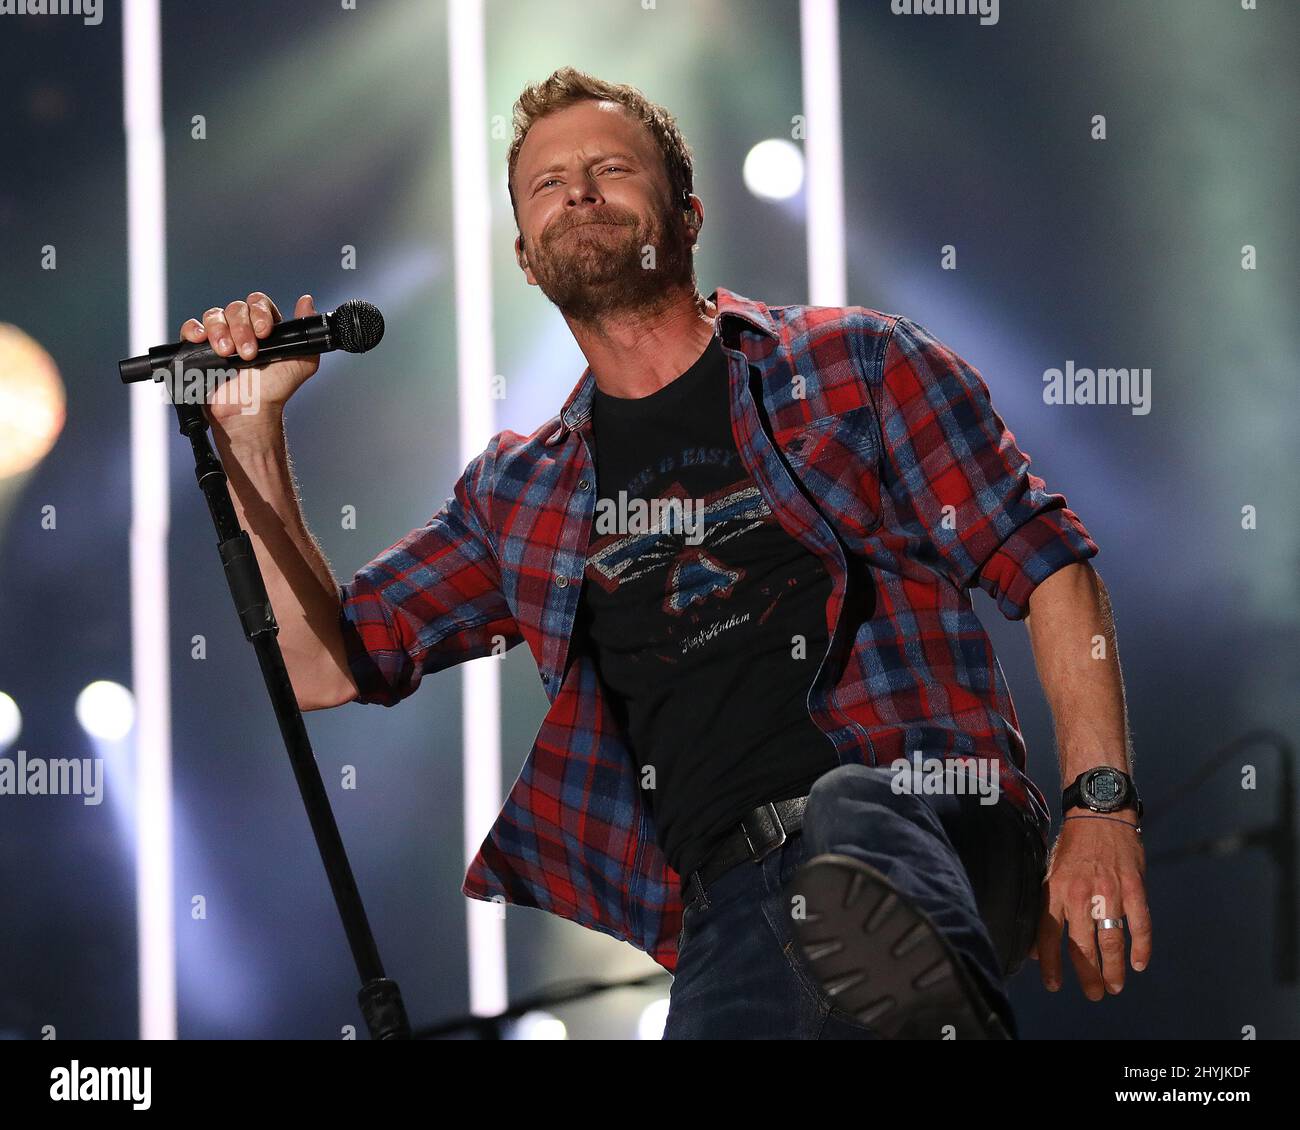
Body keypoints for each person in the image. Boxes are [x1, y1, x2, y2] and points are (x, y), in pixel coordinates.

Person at [180, 67, 1150, 1039]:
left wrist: (1099, 805)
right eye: (548, 184)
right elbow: (316, 666)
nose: (581, 193)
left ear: (685, 214)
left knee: (856, 810)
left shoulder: (856, 361)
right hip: (728, 909)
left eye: (610, 168)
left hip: (933, 814)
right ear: (522, 252)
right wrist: (253, 434)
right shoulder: (521, 490)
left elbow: (1048, 562)